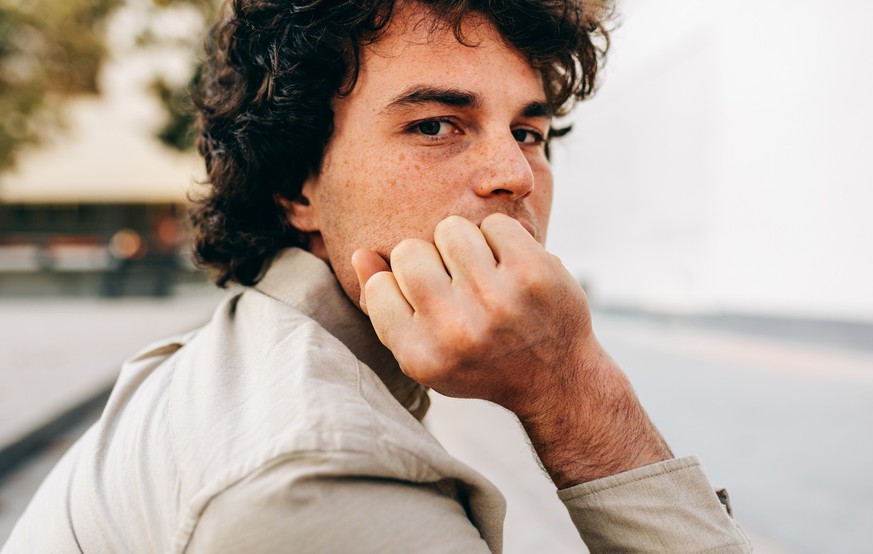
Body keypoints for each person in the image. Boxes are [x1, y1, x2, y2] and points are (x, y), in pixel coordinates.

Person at [4, 0, 752, 552]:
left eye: (528, 131)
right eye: (434, 125)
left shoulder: (263, 357)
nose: (512, 174)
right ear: (299, 186)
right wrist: (574, 390)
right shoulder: (320, 475)